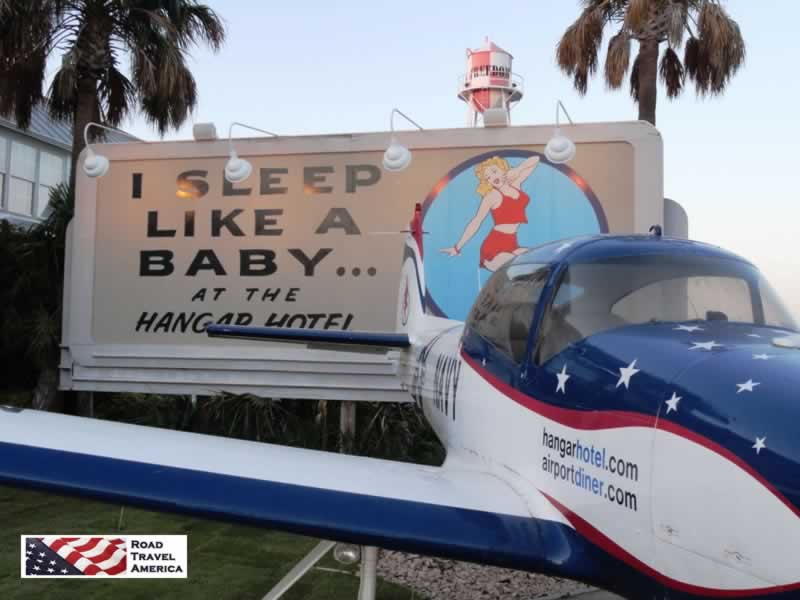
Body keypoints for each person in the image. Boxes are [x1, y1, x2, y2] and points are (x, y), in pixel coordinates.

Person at [440, 155, 540, 271]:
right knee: (517, 267)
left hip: (512, 243)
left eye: (494, 171)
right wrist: (457, 247)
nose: (493, 177)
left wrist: (518, 169)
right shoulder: (492, 196)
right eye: (488, 177)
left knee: (538, 259)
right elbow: (476, 221)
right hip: (494, 248)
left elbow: (536, 159)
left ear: (503, 169)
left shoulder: (516, 184)